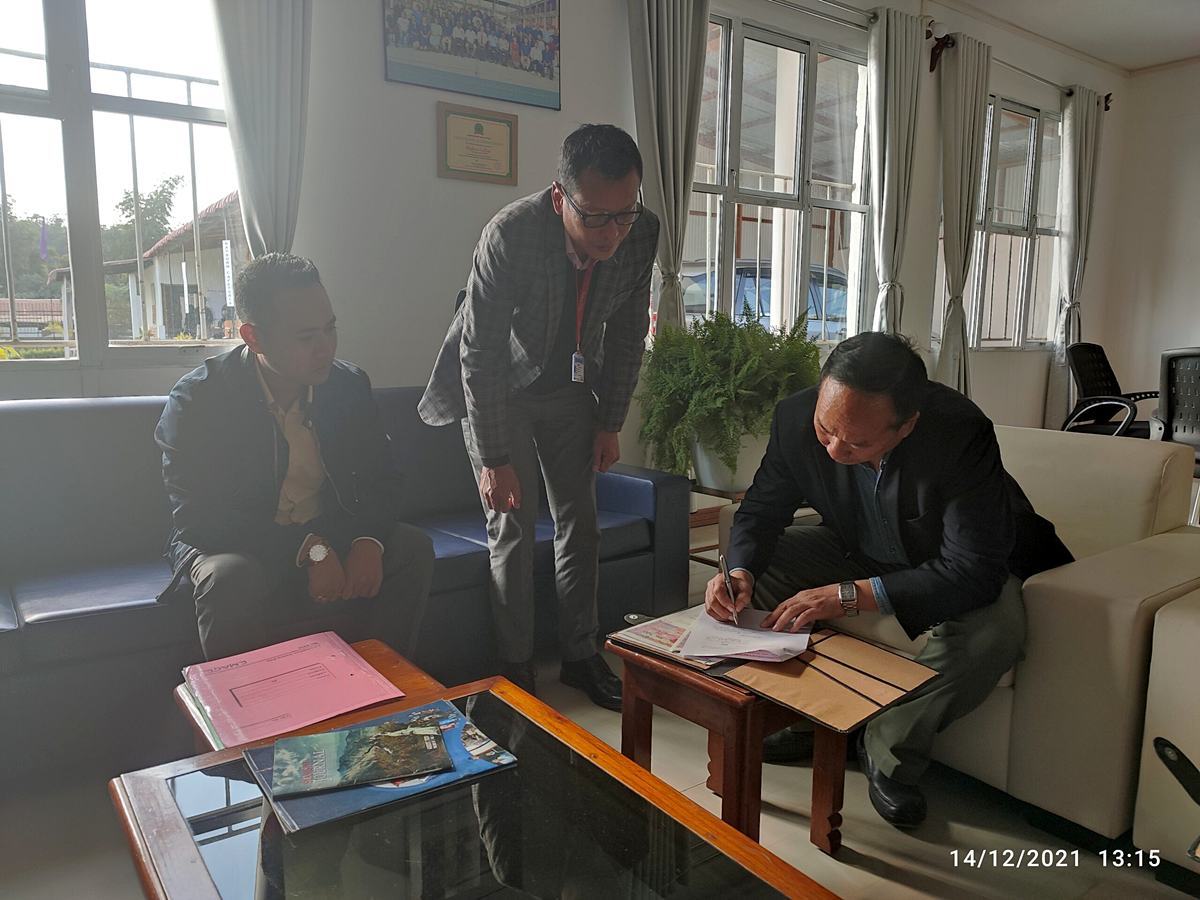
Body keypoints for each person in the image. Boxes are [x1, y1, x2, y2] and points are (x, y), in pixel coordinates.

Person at [707, 332, 1072, 828]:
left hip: (954, 561)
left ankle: (884, 746)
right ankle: (812, 718)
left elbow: (972, 568)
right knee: (767, 565)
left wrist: (850, 596)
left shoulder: (959, 432)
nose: (835, 449)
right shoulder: (795, 416)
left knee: (994, 632)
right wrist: (739, 571)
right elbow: (761, 511)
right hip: (858, 548)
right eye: (826, 429)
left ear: (907, 425)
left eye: (857, 442)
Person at [419, 124, 659, 711]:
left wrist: (611, 422)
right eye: (595, 217)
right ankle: (515, 666)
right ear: (560, 198)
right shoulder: (513, 233)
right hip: (500, 388)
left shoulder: (641, 232)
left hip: (572, 391)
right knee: (513, 524)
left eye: (624, 214)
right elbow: (479, 351)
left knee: (582, 522)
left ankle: (580, 655)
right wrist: (494, 458)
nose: (612, 232)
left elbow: (628, 335)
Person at [157, 253, 436, 662]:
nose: (326, 349)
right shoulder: (199, 399)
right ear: (253, 337)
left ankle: (388, 686)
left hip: (325, 530)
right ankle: (251, 704)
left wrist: (368, 539)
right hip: (238, 543)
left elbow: (384, 477)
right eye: (306, 338)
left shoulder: (347, 386)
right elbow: (198, 519)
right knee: (229, 577)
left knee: (411, 547)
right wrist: (309, 549)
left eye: (330, 329)